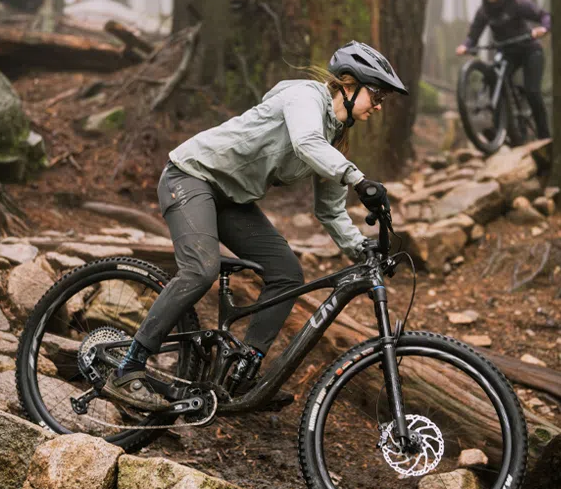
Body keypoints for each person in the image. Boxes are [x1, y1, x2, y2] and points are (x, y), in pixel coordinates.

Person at [102, 41, 407, 411]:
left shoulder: (333, 139)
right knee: (201, 269)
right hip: (190, 176)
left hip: (232, 199)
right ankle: (127, 367)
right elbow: (306, 142)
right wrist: (360, 180)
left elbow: (330, 210)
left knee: (287, 273)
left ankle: (241, 373)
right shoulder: (304, 96)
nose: (378, 105)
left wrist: (362, 247)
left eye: (383, 98)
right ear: (347, 82)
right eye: (375, 94)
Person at [456, 0, 552, 140]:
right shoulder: (484, 10)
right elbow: (474, 34)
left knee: (532, 91)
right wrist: (466, 45)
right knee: (495, 80)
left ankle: (544, 135)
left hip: (529, 50)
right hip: (507, 53)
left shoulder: (517, 3)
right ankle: (501, 129)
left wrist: (543, 29)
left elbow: (544, 16)